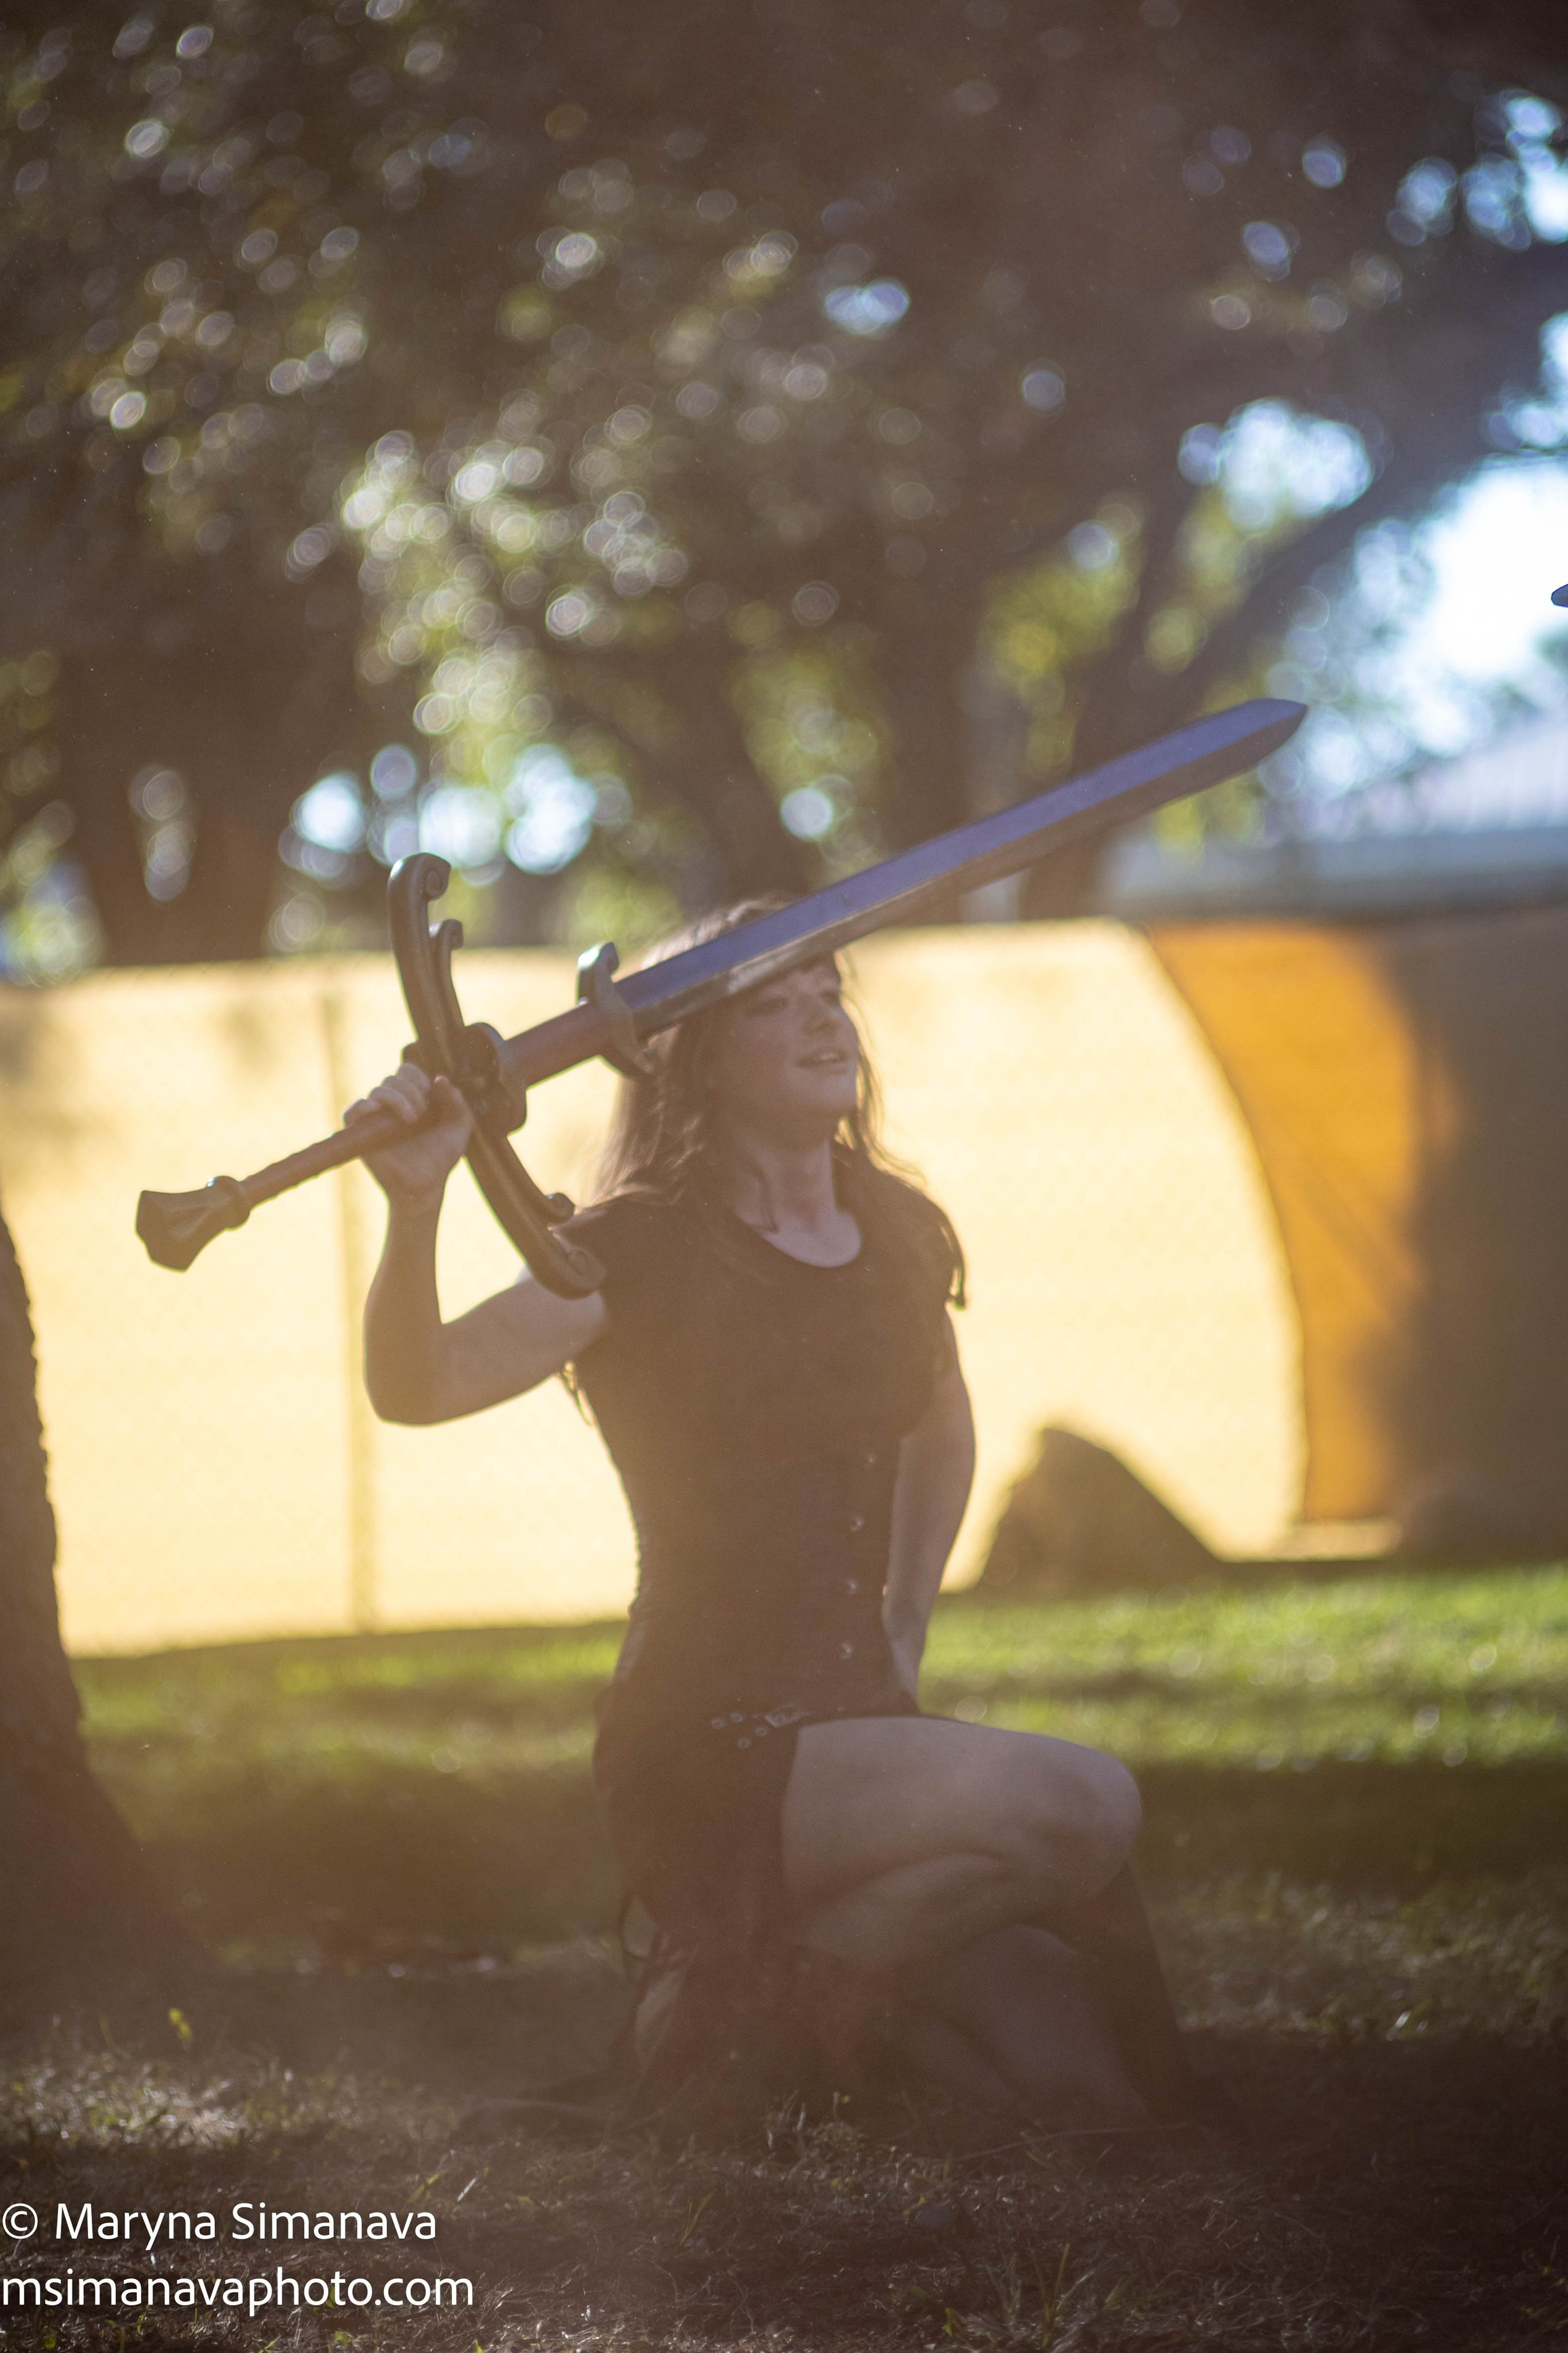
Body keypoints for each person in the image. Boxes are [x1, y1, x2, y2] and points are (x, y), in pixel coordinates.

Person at [348, 904, 1212, 2134]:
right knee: (1084, 1805)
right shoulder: (627, 1253)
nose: (819, 1016)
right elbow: (417, 1385)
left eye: (827, 989)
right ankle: (753, 2016)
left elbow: (938, 1424)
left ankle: (748, 2018)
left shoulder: (898, 1230)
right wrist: (417, 1198)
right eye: (773, 1000)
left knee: (1088, 2101)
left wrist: (906, 1618)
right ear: (686, 1055)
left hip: (862, 1723)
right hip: (706, 1750)